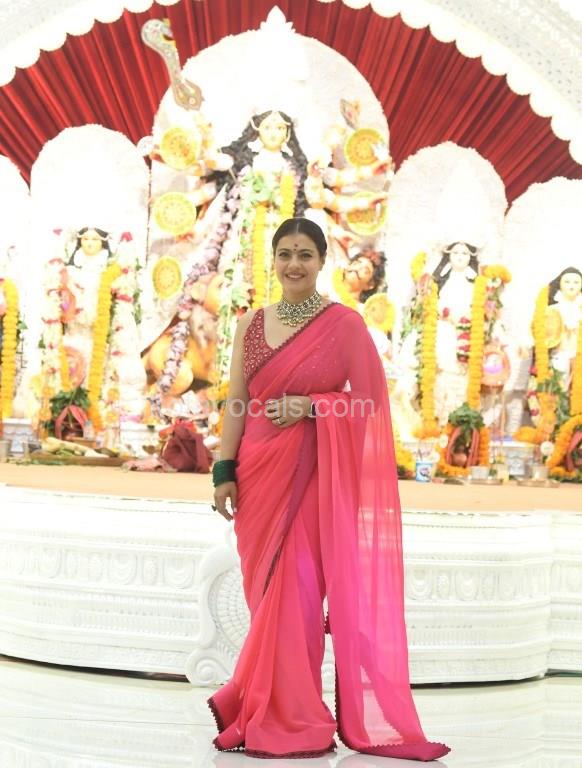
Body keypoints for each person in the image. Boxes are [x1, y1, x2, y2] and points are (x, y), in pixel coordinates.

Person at [209, 217, 450, 760]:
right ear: (274, 259)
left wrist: (313, 406)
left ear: (322, 262)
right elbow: (236, 401)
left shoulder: (344, 326)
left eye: (305, 255)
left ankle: (296, 715)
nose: (294, 264)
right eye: (285, 254)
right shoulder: (250, 324)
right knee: (265, 597)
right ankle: (264, 704)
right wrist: (224, 469)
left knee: (295, 596)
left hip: (312, 480)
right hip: (258, 474)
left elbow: (370, 404)